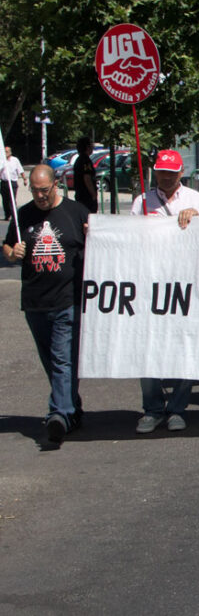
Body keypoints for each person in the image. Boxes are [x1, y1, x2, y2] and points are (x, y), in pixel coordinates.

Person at [3, 165, 89, 443]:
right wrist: (12, 252)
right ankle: (72, 408)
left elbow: (97, 244)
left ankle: (59, 414)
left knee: (63, 358)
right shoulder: (22, 215)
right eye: (35, 191)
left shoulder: (75, 212)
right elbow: (7, 247)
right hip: (35, 302)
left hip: (67, 299)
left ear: (56, 185)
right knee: (51, 362)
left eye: (44, 190)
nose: (40, 196)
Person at [131, 149, 199, 433]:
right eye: (161, 172)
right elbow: (130, 237)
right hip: (151, 284)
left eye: (171, 172)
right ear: (155, 172)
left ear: (180, 173)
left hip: (186, 284)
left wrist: (198, 216)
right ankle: (152, 409)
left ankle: (177, 408)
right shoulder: (142, 202)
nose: (165, 177)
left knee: (183, 347)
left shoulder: (196, 200)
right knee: (148, 348)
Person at [71, 137, 98, 213]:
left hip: (80, 195)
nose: (93, 147)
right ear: (87, 147)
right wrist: (93, 195)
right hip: (86, 196)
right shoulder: (86, 161)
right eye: (91, 145)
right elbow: (87, 177)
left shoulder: (79, 159)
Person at [2, 144, 27, 220]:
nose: (5, 153)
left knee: (12, 199)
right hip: (4, 183)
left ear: (10, 152)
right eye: (4, 151)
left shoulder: (15, 160)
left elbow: (20, 170)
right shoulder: (1, 160)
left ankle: (14, 215)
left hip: (12, 183)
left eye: (7, 151)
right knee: (5, 200)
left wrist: (24, 179)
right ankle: (7, 215)